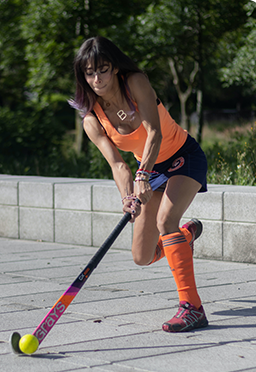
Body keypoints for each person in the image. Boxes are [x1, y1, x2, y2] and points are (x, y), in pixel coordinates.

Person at [69, 36, 208, 333]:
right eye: (89, 73)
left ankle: (192, 307)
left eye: (102, 69)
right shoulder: (92, 120)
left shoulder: (136, 82)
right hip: (151, 168)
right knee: (142, 257)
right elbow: (119, 165)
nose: (96, 78)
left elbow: (154, 132)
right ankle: (184, 237)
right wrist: (126, 197)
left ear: (115, 68)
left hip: (182, 155)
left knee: (165, 221)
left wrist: (142, 176)